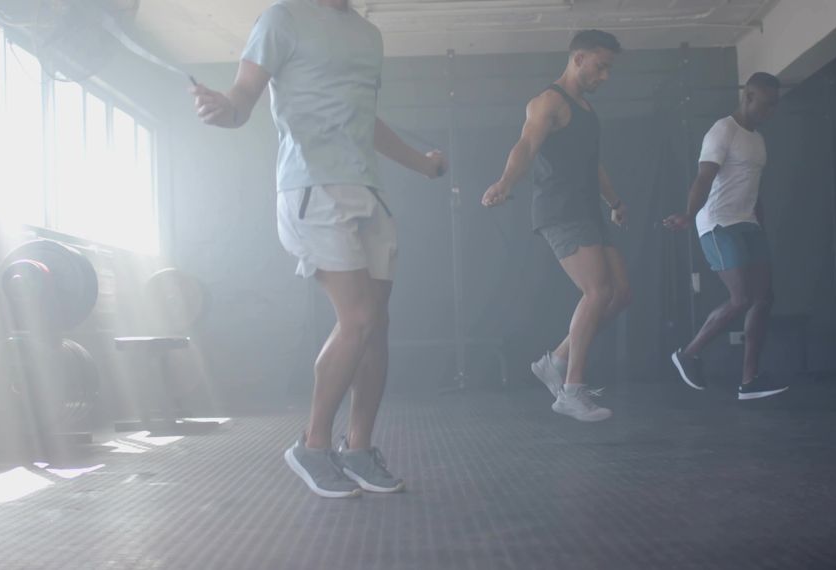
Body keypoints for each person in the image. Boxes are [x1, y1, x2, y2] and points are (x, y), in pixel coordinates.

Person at [190, 0, 447, 498]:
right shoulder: (282, 17)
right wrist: (225, 110)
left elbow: (364, 118)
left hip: (367, 190)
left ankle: (358, 449)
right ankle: (312, 444)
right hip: (311, 187)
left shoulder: (368, 36)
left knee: (377, 327)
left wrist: (420, 163)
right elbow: (243, 97)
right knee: (358, 319)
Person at [482, 30, 629, 422]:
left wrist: (613, 201)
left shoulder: (586, 108)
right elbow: (526, 146)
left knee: (618, 296)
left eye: (609, 69)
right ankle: (571, 390)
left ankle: (557, 361)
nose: (605, 76)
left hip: (588, 210)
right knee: (597, 292)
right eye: (600, 67)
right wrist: (505, 182)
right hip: (561, 210)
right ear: (578, 59)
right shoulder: (548, 102)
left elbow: (592, 163)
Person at [663, 72, 789, 401]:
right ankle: (688, 354)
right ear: (747, 96)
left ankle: (749, 381)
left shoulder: (758, 139)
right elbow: (704, 178)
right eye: (765, 104)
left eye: (774, 106)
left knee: (764, 298)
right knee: (741, 299)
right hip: (718, 224)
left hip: (748, 224)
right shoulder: (723, 131)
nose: (770, 112)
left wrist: (760, 225)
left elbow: (752, 189)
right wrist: (689, 215)